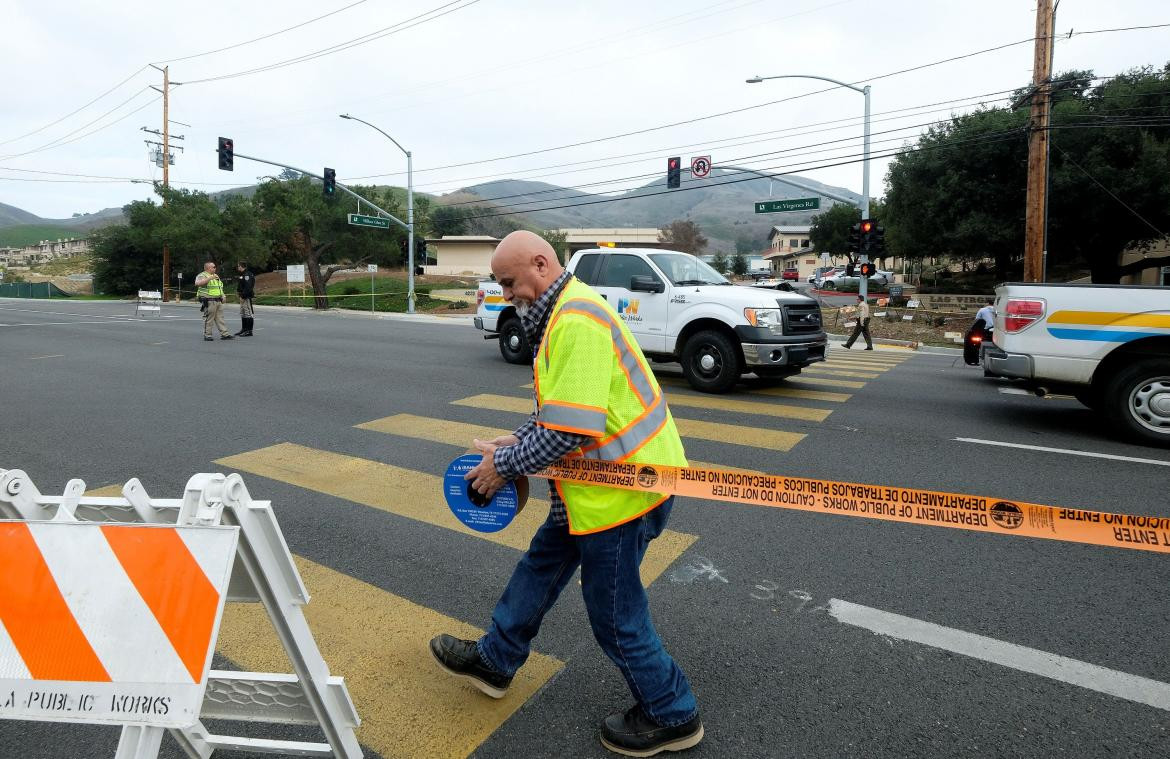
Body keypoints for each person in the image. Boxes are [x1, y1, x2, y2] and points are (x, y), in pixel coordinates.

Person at [430, 230, 703, 757]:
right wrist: (521, 438)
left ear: (540, 263)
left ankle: (672, 712)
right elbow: (559, 417)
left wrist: (502, 468)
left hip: (624, 494)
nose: (508, 295)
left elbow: (570, 433)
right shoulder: (562, 314)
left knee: (614, 612)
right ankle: (496, 659)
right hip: (589, 487)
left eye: (510, 283)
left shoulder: (576, 317)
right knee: (540, 566)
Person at [194, 261, 233, 341]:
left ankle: (225, 334)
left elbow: (219, 287)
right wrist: (209, 278)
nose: (215, 268)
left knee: (220, 318)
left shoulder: (215, 276)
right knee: (209, 318)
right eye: (214, 267)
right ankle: (208, 335)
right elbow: (197, 283)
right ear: (208, 268)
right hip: (209, 300)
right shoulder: (202, 275)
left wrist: (223, 295)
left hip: (218, 300)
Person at [234, 261, 256, 337]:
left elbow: (248, 287)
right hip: (242, 296)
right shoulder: (242, 274)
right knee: (243, 313)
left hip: (246, 297)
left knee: (248, 313)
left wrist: (243, 296)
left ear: (241, 266)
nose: (237, 267)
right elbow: (241, 285)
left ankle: (249, 331)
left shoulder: (247, 274)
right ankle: (244, 329)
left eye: (238, 266)